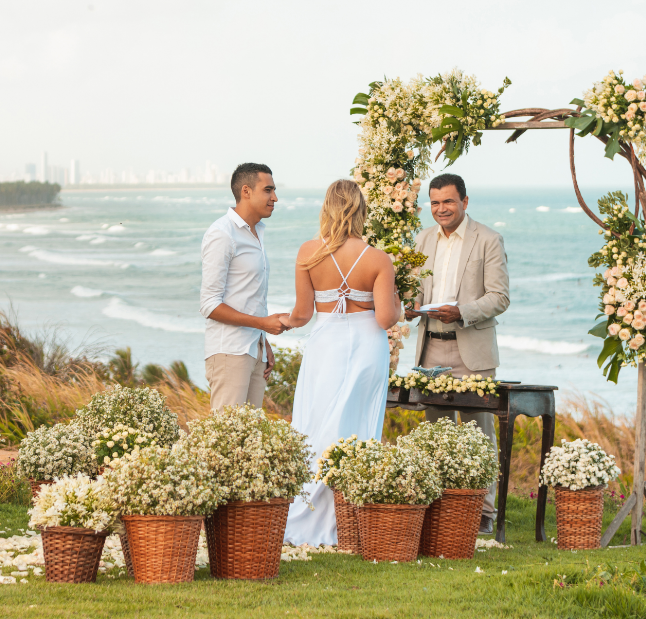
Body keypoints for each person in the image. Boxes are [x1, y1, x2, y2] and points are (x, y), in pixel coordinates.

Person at [280, 179, 401, 547]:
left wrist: (277, 322)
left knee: (316, 423)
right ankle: (348, 520)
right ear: (360, 209)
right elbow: (385, 319)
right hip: (367, 345)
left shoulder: (308, 253)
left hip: (326, 345)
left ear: (327, 208)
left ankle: (306, 515)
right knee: (358, 426)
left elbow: (302, 314)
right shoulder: (378, 259)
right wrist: (397, 300)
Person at [405, 173, 509, 535]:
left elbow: (499, 298)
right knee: (435, 433)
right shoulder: (422, 240)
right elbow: (417, 291)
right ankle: (440, 509)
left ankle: (483, 514)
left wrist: (461, 312)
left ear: (465, 201)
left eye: (448, 201)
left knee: (479, 434)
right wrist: (410, 305)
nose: (441, 209)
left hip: (472, 351)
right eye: (434, 203)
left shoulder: (489, 240)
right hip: (430, 346)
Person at [199, 162, 287, 410]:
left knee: (251, 441)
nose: (275, 198)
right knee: (225, 439)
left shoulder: (257, 231)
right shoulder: (222, 234)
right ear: (246, 191)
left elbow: (248, 296)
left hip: (254, 350)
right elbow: (209, 305)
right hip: (229, 351)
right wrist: (263, 324)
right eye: (268, 190)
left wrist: (263, 342)